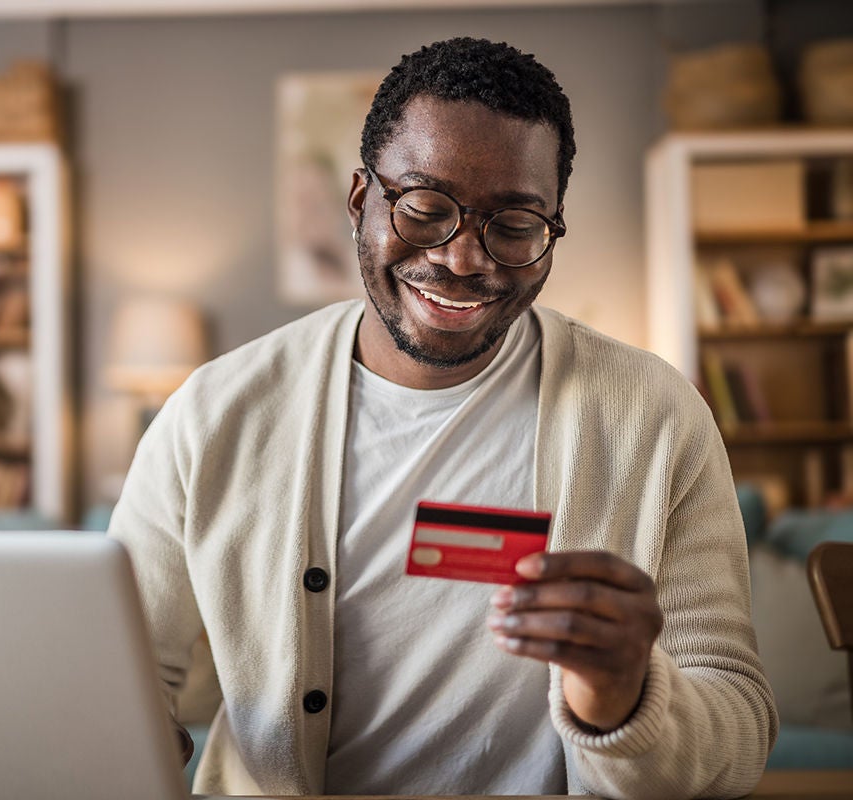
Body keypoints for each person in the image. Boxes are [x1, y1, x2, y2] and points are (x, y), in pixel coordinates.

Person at [108, 37, 777, 799]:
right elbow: (112, 687)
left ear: (553, 228)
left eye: (516, 225)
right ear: (361, 200)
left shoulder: (654, 418)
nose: (463, 258)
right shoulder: (213, 414)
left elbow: (738, 730)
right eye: (426, 210)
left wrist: (625, 700)